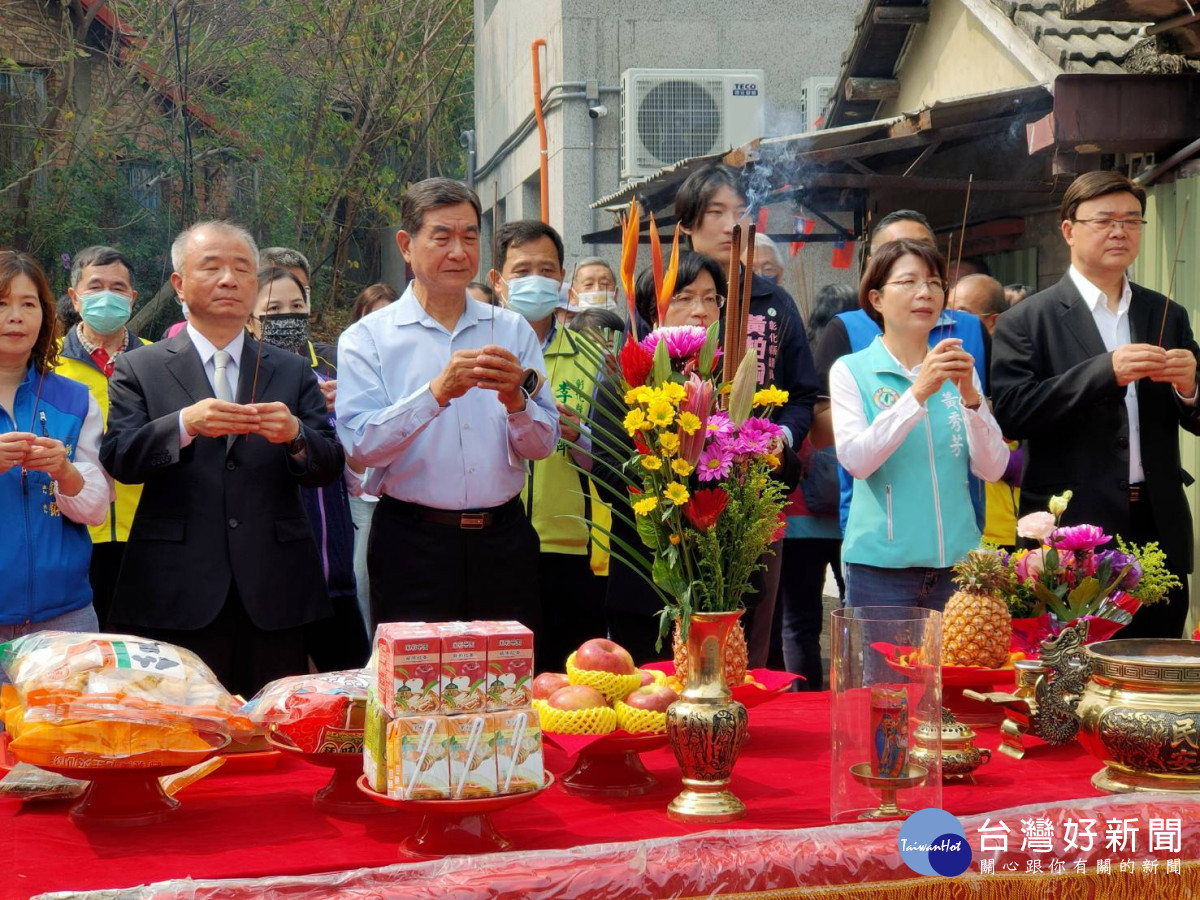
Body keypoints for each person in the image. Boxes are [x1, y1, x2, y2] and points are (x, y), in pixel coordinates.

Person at [100, 221, 344, 697]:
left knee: (270, 733)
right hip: (176, 586)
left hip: (274, 585)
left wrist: (296, 436)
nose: (229, 279)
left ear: (254, 285)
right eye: (211, 267)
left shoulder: (291, 369)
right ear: (178, 284)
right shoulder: (139, 367)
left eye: (241, 269)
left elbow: (328, 466)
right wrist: (184, 425)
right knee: (183, 730)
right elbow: (120, 459)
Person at [335, 178, 559, 633]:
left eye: (470, 236)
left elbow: (543, 444)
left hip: (503, 539)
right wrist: (435, 394)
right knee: (414, 690)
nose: (458, 251)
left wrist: (517, 402)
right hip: (412, 544)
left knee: (508, 684)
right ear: (406, 244)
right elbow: (360, 446)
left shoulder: (513, 330)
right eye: (442, 237)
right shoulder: (369, 338)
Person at [992, 170, 1200, 639]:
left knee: (1155, 671)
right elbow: (1014, 411)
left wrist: (1190, 388)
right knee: (1073, 674)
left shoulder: (1166, 312)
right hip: (1074, 530)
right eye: (1105, 220)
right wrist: (1105, 372)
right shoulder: (1026, 320)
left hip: (1157, 523)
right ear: (1069, 229)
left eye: (1131, 221)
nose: (1120, 231)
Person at [674, 163, 820, 667]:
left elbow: (802, 393)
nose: (728, 223)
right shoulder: (663, 295)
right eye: (715, 212)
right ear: (687, 225)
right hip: (673, 487)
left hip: (753, 489)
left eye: (738, 212)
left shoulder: (773, 302)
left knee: (752, 628)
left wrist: (779, 433)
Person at [831, 239, 1008, 610]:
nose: (924, 293)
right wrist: (919, 391)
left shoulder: (960, 368)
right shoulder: (851, 370)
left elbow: (993, 469)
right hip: (881, 569)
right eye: (908, 282)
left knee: (957, 671)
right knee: (884, 671)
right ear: (877, 299)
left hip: (961, 568)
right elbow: (857, 461)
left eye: (933, 283)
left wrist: (972, 401)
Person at [809, 209, 991, 537]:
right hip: (881, 527)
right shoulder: (846, 332)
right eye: (896, 253)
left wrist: (970, 403)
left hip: (960, 525)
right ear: (873, 275)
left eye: (923, 253)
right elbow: (823, 433)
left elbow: (993, 439)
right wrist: (911, 395)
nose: (912, 261)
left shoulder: (969, 329)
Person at [486, 220, 605, 667]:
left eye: (546, 269)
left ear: (562, 280)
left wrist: (578, 435)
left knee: (571, 681)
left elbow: (615, 461)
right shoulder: (475, 354)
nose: (535, 279)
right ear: (497, 280)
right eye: (521, 270)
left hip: (572, 547)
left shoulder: (595, 360)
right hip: (493, 543)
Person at [254, 267, 368, 666]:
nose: (287, 317)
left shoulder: (336, 366)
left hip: (331, 556)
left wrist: (344, 408)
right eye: (273, 309)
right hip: (271, 571)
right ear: (252, 319)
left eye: (296, 306)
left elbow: (357, 460)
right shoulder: (244, 376)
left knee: (351, 684)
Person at [0, 251, 110, 660]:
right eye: (2, 303)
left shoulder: (75, 399)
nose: (16, 317)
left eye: (28, 304)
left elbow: (97, 507)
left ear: (45, 315)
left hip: (66, 618)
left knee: (66, 726)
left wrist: (65, 471)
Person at [54, 246, 148, 627]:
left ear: (132, 298)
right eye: (95, 286)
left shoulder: (159, 362)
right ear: (74, 297)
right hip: (70, 532)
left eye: (118, 287)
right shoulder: (47, 362)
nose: (107, 296)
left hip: (146, 531)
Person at [770, 283, 856, 688]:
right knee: (854, 615)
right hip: (851, 513)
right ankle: (851, 693)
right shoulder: (863, 361)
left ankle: (805, 699)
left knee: (800, 620)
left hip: (799, 517)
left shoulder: (798, 361)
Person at [950, 274, 1022, 548]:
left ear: (993, 321)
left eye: (962, 312)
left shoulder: (1014, 365)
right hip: (961, 522)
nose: (951, 319)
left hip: (1004, 525)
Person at [345, 281, 398, 634]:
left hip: (402, 495)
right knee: (362, 578)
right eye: (371, 318)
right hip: (362, 494)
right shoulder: (352, 359)